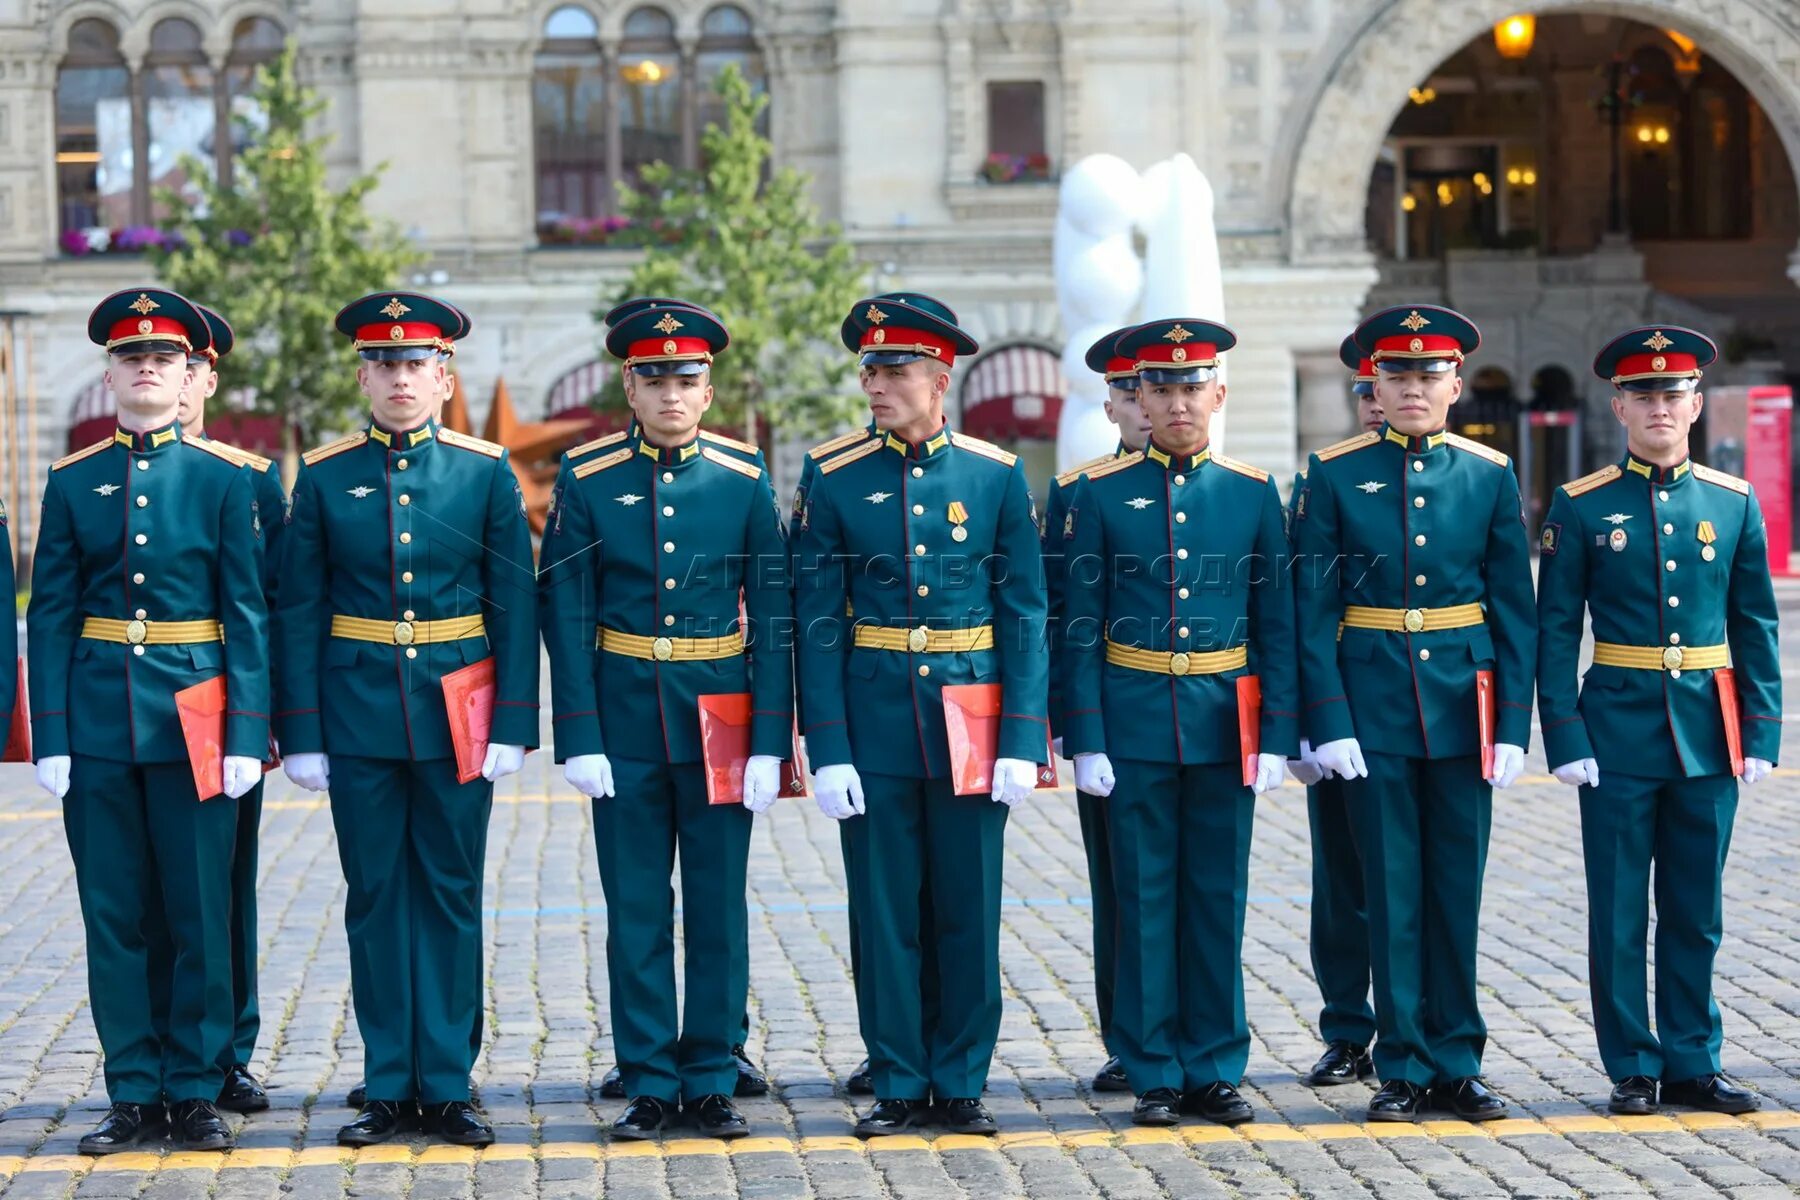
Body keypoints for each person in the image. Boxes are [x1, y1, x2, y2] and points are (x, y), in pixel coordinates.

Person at [275, 292, 538, 1148]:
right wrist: (303, 730)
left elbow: (514, 603)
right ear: (363, 375)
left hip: (459, 711)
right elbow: (299, 607)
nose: (399, 377)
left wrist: (513, 720)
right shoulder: (322, 475)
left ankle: (449, 1081)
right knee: (377, 896)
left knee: (453, 895)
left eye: (415, 364)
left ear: (443, 374)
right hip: (358, 715)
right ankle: (391, 1079)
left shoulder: (484, 470)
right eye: (384, 364)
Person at [794, 293, 1049, 1138]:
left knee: (967, 906)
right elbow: (817, 618)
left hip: (972, 718)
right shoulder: (832, 475)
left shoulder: (994, 473)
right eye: (869, 369)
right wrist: (824, 745)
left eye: (894, 370)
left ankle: (963, 1078)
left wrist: (1022, 736)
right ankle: (900, 1078)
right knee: (884, 908)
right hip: (874, 721)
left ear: (940, 378)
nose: (875, 384)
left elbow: (1025, 612)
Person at [541, 302, 792, 1140]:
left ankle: (713, 1070)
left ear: (708, 389)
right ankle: (649, 1074)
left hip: (720, 716)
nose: (672, 393)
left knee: (718, 904)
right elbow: (567, 611)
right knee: (637, 906)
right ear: (630, 386)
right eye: (656, 379)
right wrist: (577, 730)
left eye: (686, 379)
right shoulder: (586, 477)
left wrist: (769, 740)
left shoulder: (745, 478)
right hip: (622, 719)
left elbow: (778, 617)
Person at [28, 288, 269, 1154]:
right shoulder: (71, 480)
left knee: (201, 911)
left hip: (197, 717)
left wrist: (248, 732)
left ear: (187, 374)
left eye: (162, 358)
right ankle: (133, 1087)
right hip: (96, 722)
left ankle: (196, 1086)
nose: (147, 368)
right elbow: (49, 612)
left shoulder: (227, 478)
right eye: (132, 358)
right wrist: (48, 734)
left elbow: (247, 614)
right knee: (116, 914)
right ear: (110, 373)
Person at [1292, 304, 1535, 1123]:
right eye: (1396, 377)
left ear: (1455, 384)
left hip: (1463, 707)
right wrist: (1328, 718)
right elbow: (1313, 610)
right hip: (1373, 705)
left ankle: (1457, 1061)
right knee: (1391, 891)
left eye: (1427, 376)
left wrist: (1511, 726)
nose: (1412, 389)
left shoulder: (1488, 474)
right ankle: (1400, 1061)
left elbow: (1515, 611)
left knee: (1454, 892)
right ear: (1376, 385)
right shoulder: (1334, 474)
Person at [1537, 326, 1780, 1116]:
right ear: (1619, 407)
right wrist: (1565, 734)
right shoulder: (1581, 506)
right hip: (1616, 730)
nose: (1660, 407)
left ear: (1696, 404)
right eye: (1643, 395)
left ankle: (1694, 1059)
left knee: (1694, 908)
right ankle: (1632, 1064)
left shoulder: (1732, 502)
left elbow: (1755, 625)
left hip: (1709, 731)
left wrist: (1763, 729)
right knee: (1617, 910)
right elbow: (1555, 631)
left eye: (1673, 394)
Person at [1060, 318, 1294, 1126]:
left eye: (1193, 387)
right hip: (1132, 721)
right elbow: (1078, 624)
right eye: (1161, 388)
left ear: (1219, 394)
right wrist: (1084, 736)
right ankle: (1153, 1064)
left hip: (1225, 720)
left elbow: (1276, 625)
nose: (1178, 401)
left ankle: (1215, 1064)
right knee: (1144, 896)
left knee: (1216, 897)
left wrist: (1277, 732)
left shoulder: (1253, 492)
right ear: (1139, 400)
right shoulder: (1095, 495)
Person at [154, 303, 284, 1116]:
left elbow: (270, 599)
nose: (186, 379)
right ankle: (173, 1044)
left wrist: (262, 717)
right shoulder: (123, 468)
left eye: (197, 367)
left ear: (208, 379)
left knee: (225, 883)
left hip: (228, 707)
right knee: (159, 887)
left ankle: (229, 1047)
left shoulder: (252, 477)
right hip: (154, 702)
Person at [1039, 325, 1152, 1095]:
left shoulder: (1235, 489)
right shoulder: (1078, 494)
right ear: (1112, 406)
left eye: (1161, 391)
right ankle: (1127, 1034)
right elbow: (1058, 617)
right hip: (1112, 716)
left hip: (1198, 715)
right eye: (1131, 393)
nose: (1149, 406)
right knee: (1121, 888)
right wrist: (1068, 727)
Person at [1286, 335, 1381, 1087]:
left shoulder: (1468, 476)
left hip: (1433, 704)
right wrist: (1311, 721)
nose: (1381, 400)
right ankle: (1348, 1028)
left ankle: (1420, 1028)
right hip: (1346, 699)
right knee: (1343, 880)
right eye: (1370, 389)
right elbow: (1301, 610)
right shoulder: (1325, 482)